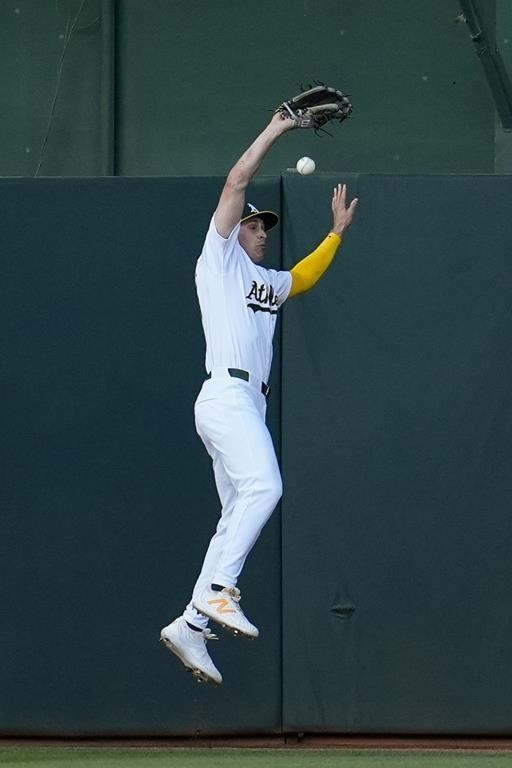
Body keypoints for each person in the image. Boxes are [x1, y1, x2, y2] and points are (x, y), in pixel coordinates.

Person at [160, 111, 358, 685]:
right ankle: (219, 590)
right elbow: (236, 182)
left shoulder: (267, 281)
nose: (262, 232)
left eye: (265, 227)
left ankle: (192, 623)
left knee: (236, 515)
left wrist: (335, 235)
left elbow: (305, 278)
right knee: (266, 487)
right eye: (253, 226)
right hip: (226, 394)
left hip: (247, 405)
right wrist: (277, 129)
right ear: (234, 231)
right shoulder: (218, 260)